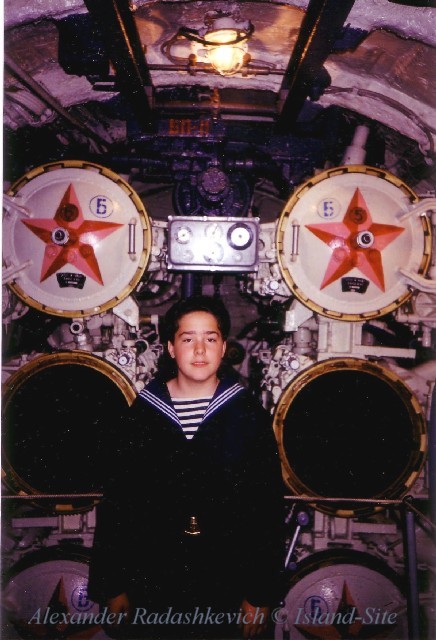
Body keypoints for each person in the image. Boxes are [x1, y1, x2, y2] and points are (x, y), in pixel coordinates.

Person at [88, 295, 285, 639]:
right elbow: (119, 504)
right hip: (153, 582)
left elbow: (266, 509)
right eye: (187, 338)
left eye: (210, 338)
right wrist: (113, 584)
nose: (199, 350)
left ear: (223, 347)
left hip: (228, 582)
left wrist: (260, 593)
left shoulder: (248, 416)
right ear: (170, 347)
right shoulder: (144, 415)